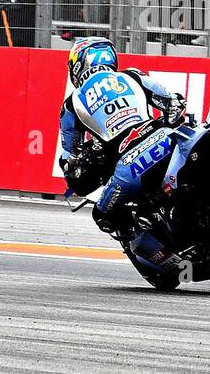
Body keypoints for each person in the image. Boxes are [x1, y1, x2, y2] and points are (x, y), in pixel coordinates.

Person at [57, 37, 186, 237]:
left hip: (129, 166)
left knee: (102, 214)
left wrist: (79, 172)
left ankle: (172, 261)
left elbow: (70, 159)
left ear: (78, 65)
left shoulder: (71, 104)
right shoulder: (131, 76)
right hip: (165, 139)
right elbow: (173, 103)